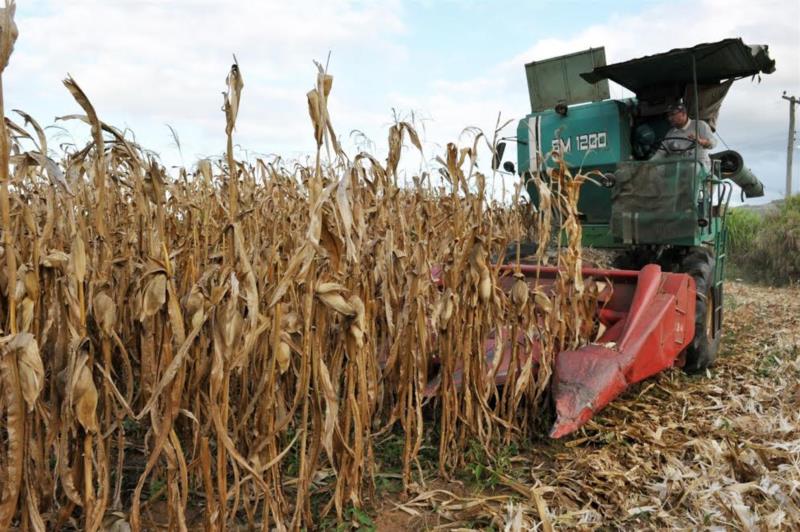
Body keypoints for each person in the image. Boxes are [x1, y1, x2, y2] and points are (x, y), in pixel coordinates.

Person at [651, 103, 716, 171]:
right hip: (677, 166)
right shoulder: (670, 133)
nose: (670, 118)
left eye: (672, 114)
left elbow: (713, 144)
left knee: (692, 168)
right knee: (656, 170)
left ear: (683, 113)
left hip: (699, 164)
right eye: (668, 116)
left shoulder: (700, 125)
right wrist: (649, 164)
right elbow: (661, 152)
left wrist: (702, 141)